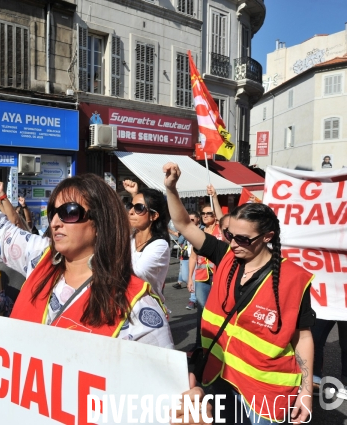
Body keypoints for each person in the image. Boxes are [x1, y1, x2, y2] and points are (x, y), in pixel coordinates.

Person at [0, 141, 173, 346]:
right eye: (53, 212)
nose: (56, 221)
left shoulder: (139, 308)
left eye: (69, 211)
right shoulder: (41, 259)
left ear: (101, 222)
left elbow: (153, 394)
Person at [164, 162, 315, 425]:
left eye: (243, 239)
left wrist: (306, 391)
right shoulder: (225, 256)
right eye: (229, 235)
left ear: (267, 237)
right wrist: (171, 189)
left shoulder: (294, 278)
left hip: (266, 393)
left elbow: (303, 336)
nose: (233, 244)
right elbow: (183, 225)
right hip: (219, 376)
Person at [122, 179, 170, 304]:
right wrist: (135, 194)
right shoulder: (130, 238)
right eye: (130, 206)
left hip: (145, 309)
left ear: (154, 216)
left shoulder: (160, 245)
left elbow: (136, 274)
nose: (131, 211)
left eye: (138, 208)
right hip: (123, 305)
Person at [188, 199, 222, 350]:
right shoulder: (199, 232)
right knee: (201, 311)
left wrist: (214, 196)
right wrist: (189, 277)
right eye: (203, 213)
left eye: (210, 213)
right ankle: (199, 346)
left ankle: (217, 345)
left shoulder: (221, 230)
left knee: (218, 311)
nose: (206, 215)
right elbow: (193, 257)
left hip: (219, 276)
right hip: (201, 277)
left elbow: (222, 218)